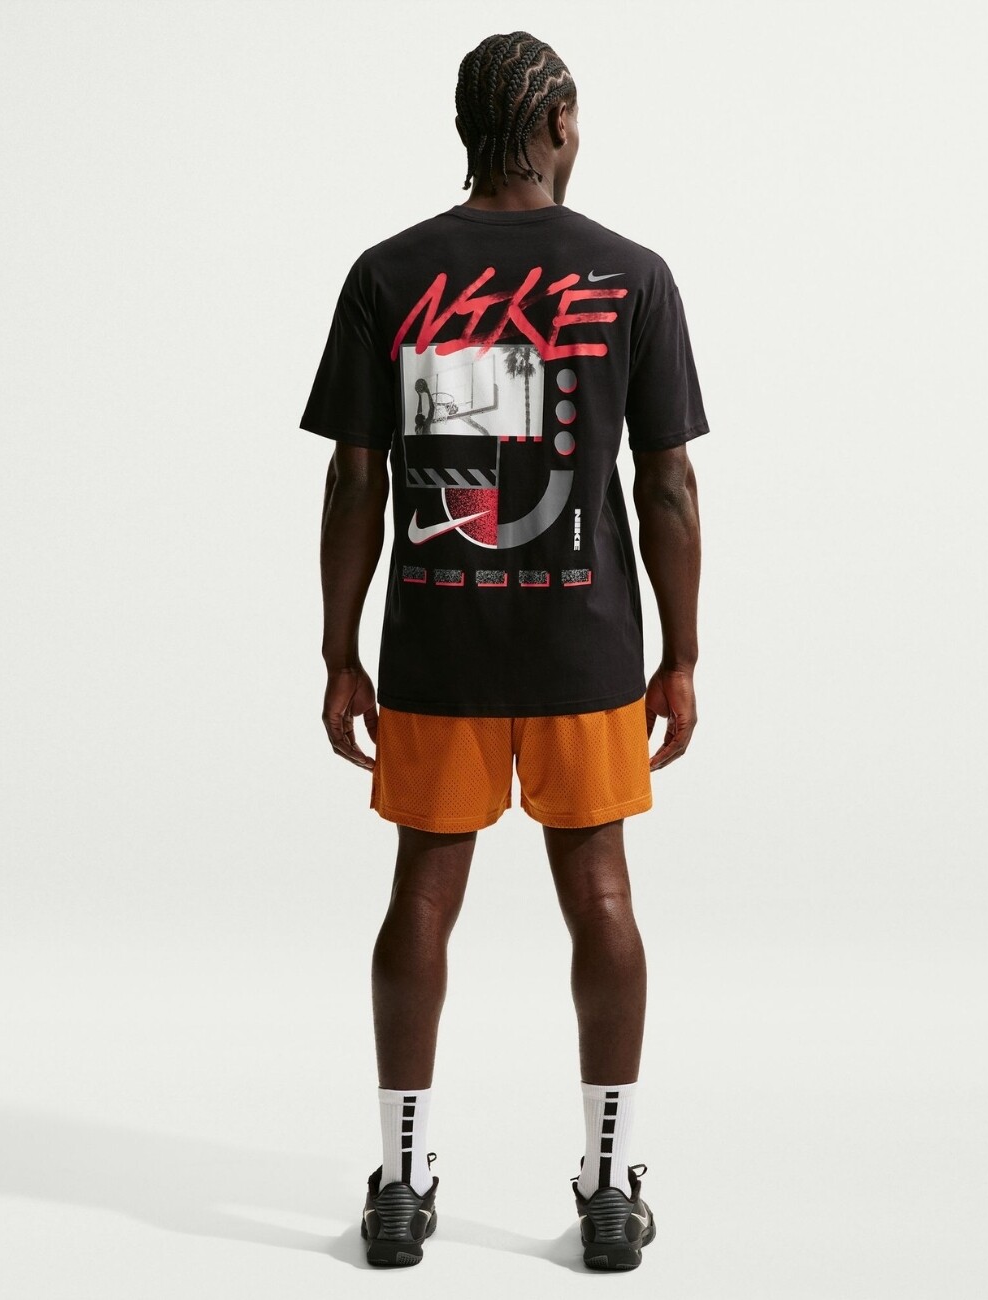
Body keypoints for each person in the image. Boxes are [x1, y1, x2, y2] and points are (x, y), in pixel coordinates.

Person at [300, 30, 706, 1271]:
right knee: (603, 898)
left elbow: (356, 477)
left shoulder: (388, 273)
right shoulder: (633, 276)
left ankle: (402, 1181)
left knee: (421, 897)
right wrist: (682, 655)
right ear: (559, 123)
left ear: (465, 128)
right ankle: (609, 1184)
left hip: (440, 645)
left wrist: (340, 650)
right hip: (586, 645)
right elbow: (668, 484)